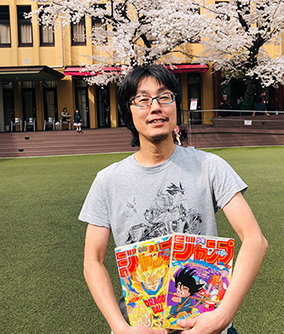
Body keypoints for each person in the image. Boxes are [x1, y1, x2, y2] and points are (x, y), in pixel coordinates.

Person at [79, 65, 268, 334]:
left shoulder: (210, 166)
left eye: (164, 97)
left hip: (207, 325)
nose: (155, 107)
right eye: (143, 100)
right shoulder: (108, 181)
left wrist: (222, 316)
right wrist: (119, 328)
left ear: (175, 106)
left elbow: (255, 240)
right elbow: (92, 261)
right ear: (128, 111)